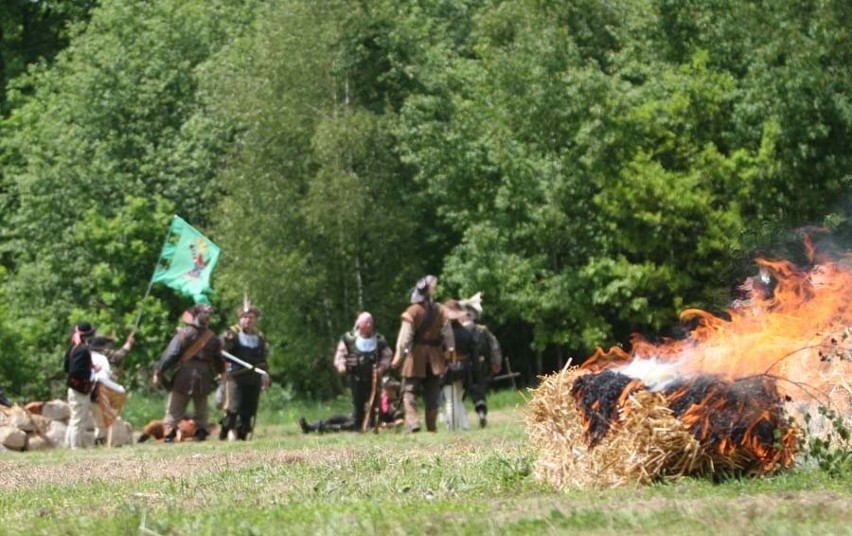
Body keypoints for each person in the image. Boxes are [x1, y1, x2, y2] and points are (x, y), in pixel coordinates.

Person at [297, 311, 392, 433]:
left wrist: (382, 367)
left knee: (369, 405)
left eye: (371, 322)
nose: (369, 325)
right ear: (359, 324)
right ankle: (317, 426)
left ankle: (368, 425)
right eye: (366, 322)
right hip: (357, 378)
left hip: (374, 380)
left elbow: (387, 356)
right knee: (356, 407)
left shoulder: (379, 340)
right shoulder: (350, 339)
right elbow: (340, 355)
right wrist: (341, 365)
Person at [391, 275, 455, 432]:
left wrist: (397, 358)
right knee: (432, 392)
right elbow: (448, 334)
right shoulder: (441, 311)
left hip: (416, 357)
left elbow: (404, 338)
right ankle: (431, 426)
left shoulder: (411, 312)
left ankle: (413, 423)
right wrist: (450, 352)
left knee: (409, 391)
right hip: (435, 357)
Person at [152, 303, 224, 442]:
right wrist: (221, 372)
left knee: (175, 408)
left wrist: (159, 371)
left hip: (184, 375)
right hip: (203, 376)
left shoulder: (184, 333)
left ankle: (170, 434)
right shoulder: (213, 338)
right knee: (201, 408)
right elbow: (218, 360)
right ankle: (201, 432)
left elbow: (171, 355)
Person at [218, 298, 269, 441]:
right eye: (245, 317)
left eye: (251, 317)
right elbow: (221, 353)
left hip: (253, 377)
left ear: (255, 320)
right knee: (233, 408)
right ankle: (229, 434)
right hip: (235, 377)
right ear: (240, 319)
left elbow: (263, 360)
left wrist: (265, 375)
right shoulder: (232, 334)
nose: (248, 320)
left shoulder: (259, 337)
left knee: (248, 409)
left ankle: (243, 435)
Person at [458, 292, 502, 427]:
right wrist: (496, 363)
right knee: (479, 393)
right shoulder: (483, 330)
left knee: (458, 395)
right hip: (481, 366)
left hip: (461, 365)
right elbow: (494, 346)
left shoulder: (457, 331)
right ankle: (481, 412)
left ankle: (458, 420)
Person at [299, 378, 403, 433]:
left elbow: (400, 421)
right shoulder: (377, 398)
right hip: (359, 418)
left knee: (341, 426)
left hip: (368, 425)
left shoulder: (394, 405)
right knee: (336, 417)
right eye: (384, 388)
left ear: (393, 391)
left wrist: (386, 425)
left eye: (387, 389)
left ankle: (313, 428)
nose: (384, 391)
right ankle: (313, 425)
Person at [88, 334, 134, 445]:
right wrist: (128, 345)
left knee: (98, 421)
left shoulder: (88, 356)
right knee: (101, 421)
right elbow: (116, 357)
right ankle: (100, 441)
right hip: (98, 393)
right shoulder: (101, 357)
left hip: (89, 393)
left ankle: (99, 440)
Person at [64, 322, 98, 449]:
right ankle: (75, 447)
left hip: (73, 388)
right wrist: (90, 373)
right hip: (80, 389)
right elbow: (76, 371)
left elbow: (66, 367)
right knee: (79, 420)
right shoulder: (83, 350)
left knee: (75, 419)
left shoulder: (73, 347)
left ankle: (69, 445)